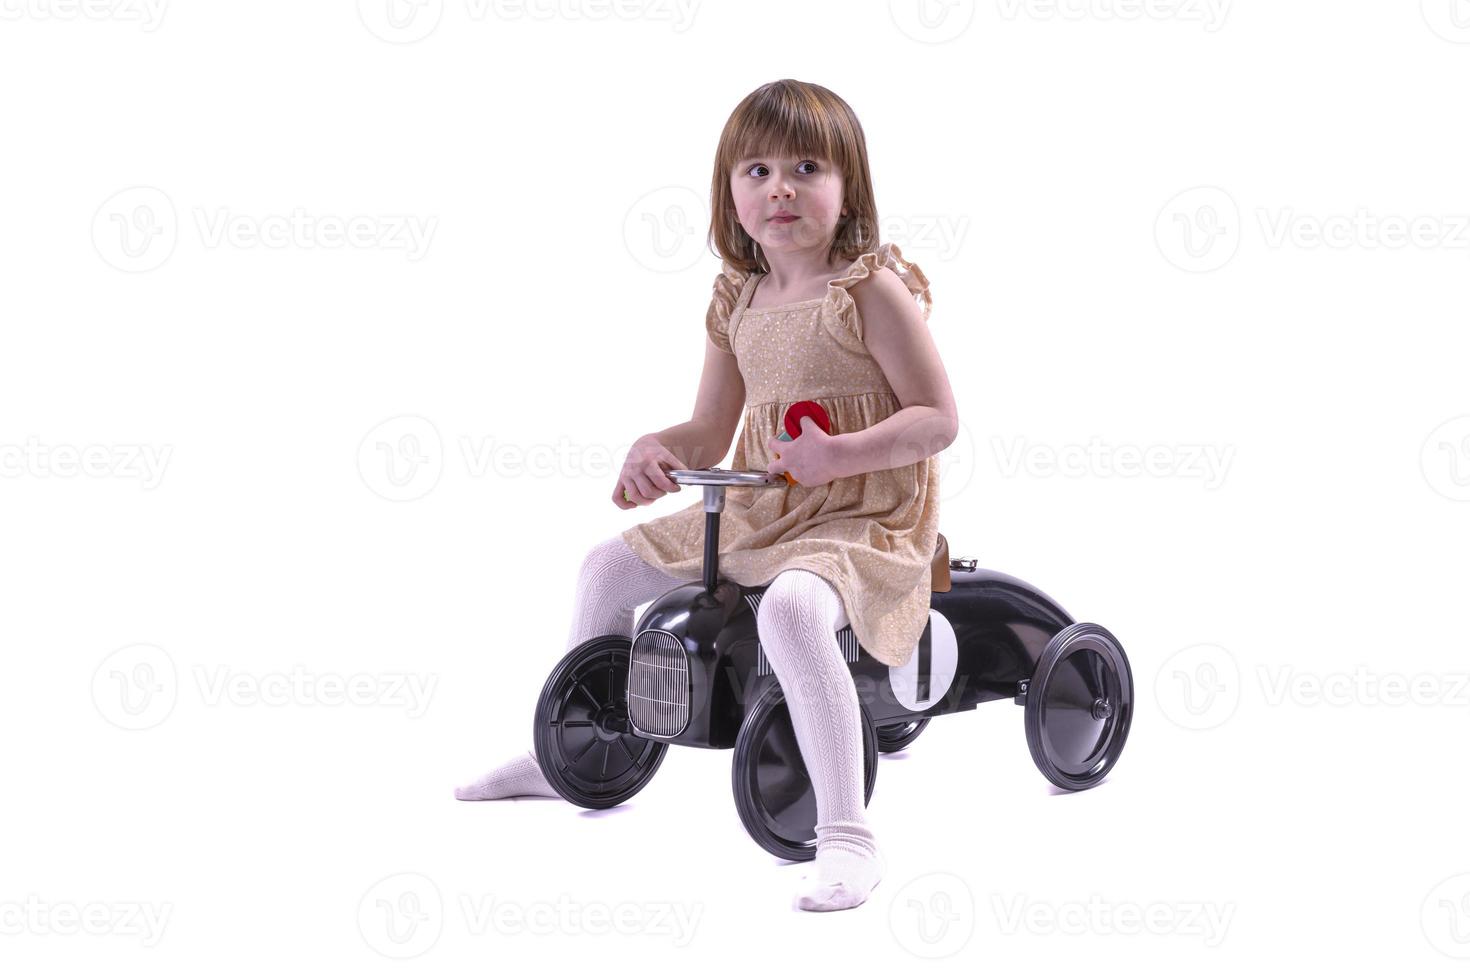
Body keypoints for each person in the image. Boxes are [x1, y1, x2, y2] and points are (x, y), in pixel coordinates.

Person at [454, 78, 959, 913]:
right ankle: (573, 752)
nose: (781, 189)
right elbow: (711, 433)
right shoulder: (739, 298)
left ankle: (846, 835)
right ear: (728, 191)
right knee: (607, 569)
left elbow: (937, 420)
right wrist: (658, 450)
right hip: (768, 502)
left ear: (849, 188)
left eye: (806, 167)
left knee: (791, 612)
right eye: (755, 170)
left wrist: (842, 455)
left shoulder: (869, 291)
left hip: (866, 513)